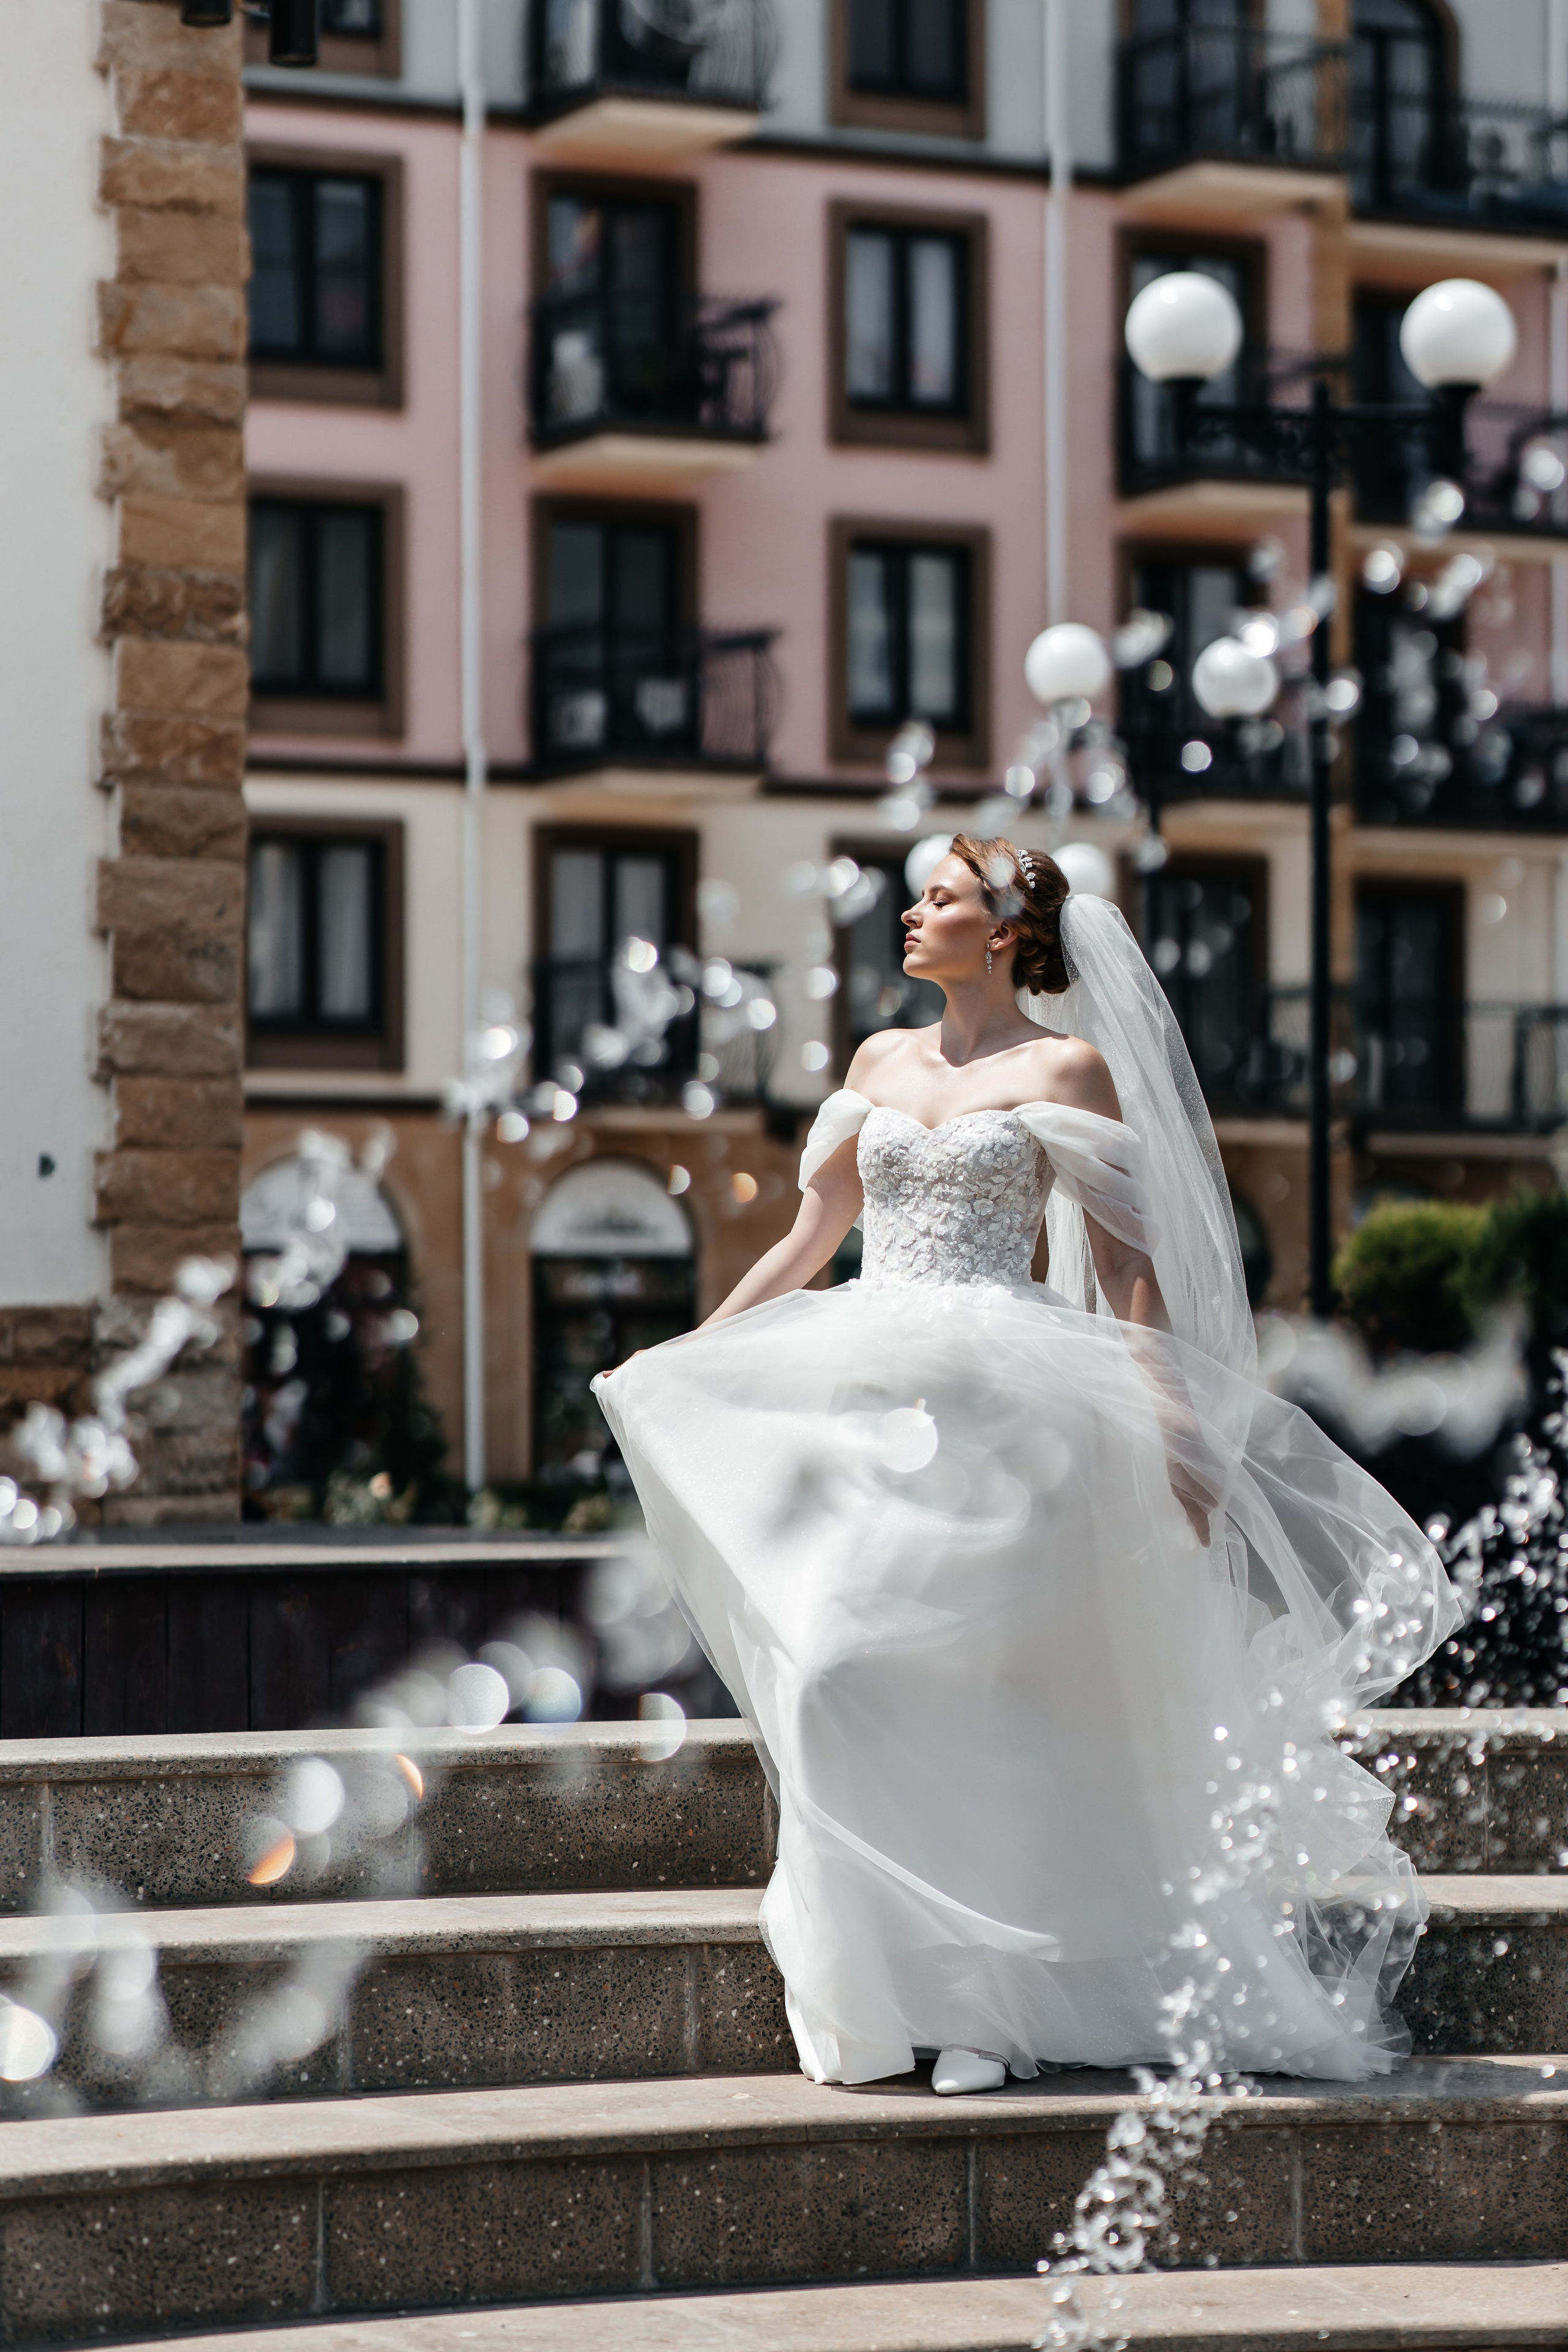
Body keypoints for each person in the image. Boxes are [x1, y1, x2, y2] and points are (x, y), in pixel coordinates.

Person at [594, 839, 1460, 2095]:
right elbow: (809, 1241)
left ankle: (988, 2016)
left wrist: (1172, 1424)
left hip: (1017, 1429)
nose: (911, 910)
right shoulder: (876, 1062)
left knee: (992, 1714)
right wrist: (686, 1355)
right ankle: (876, 1991)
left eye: (939, 896)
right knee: (836, 1676)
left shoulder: (1067, 1068)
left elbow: (1124, 1269)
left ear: (1001, 930)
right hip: (864, 1412)